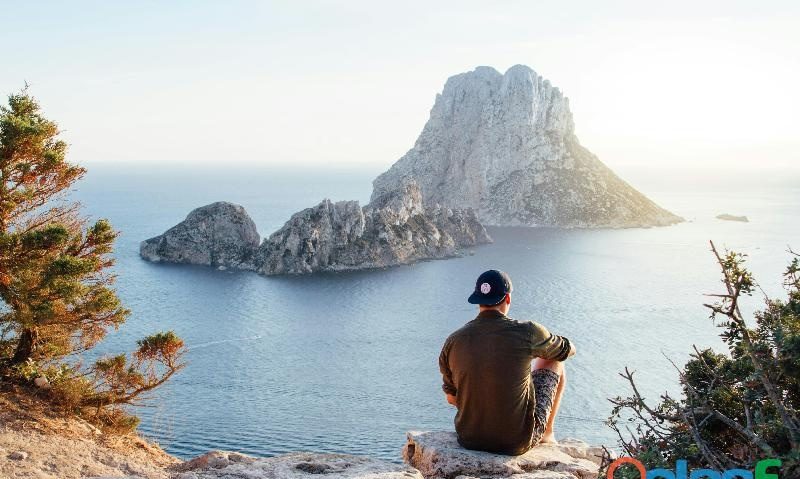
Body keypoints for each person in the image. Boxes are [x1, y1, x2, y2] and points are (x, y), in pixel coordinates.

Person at [438, 269, 575, 455]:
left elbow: (451, 398)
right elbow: (566, 351)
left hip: (469, 439)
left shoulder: (453, 341)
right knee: (555, 361)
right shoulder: (528, 332)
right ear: (507, 299)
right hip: (515, 442)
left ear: (478, 300)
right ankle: (547, 434)